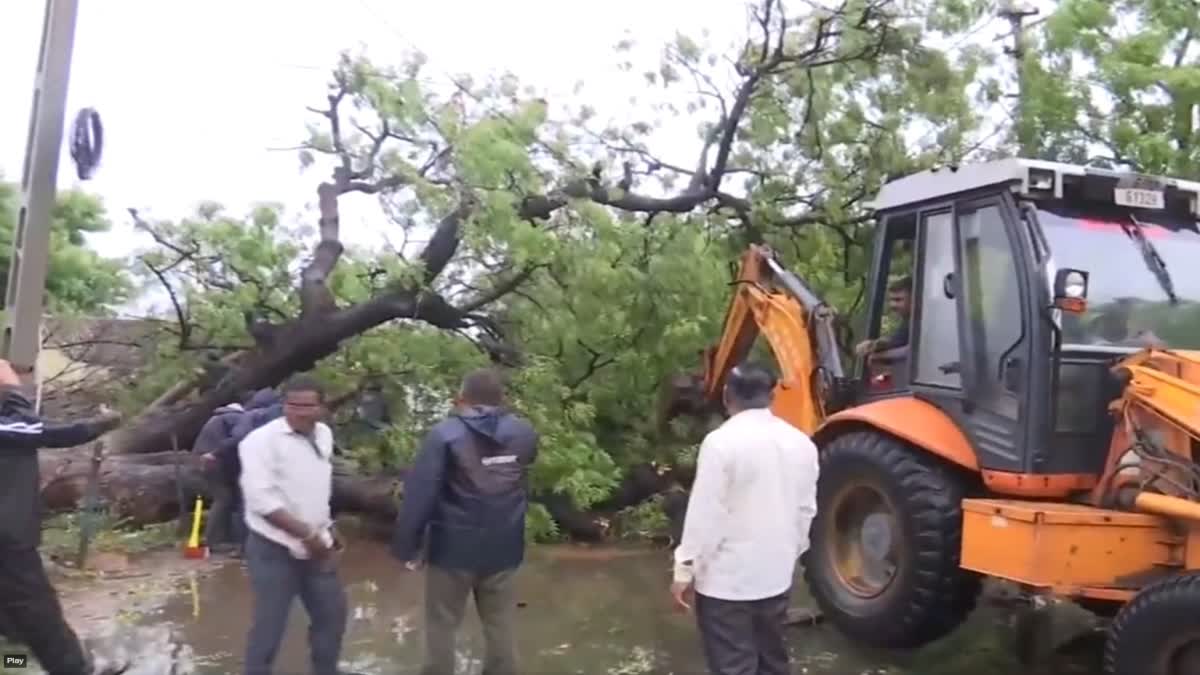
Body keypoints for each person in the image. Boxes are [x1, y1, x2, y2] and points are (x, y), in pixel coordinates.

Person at [670, 362, 819, 675]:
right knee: (773, 662)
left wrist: (685, 569)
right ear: (771, 396)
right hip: (776, 576)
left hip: (728, 582)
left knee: (733, 665)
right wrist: (789, 554)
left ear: (727, 396)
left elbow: (706, 514)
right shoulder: (801, 443)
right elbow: (806, 510)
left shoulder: (721, 443)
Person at [392, 368, 538, 675]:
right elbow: (521, 480)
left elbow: (421, 492)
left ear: (460, 399)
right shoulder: (524, 433)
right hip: (504, 545)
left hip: (452, 549)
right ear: (504, 399)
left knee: (442, 626)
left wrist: (407, 546)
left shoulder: (444, 434)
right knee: (500, 626)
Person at [0, 359, 124, 675]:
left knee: (17, 616)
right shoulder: (9, 425)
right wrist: (101, 423)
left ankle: (17, 665)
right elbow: (43, 431)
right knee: (35, 607)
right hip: (8, 538)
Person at [238, 376, 349, 675]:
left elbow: (314, 486)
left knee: (333, 616)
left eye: (307, 406)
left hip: (318, 544)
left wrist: (326, 525)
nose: (298, 412)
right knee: (270, 623)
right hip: (273, 547)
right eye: (292, 405)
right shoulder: (260, 442)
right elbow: (261, 500)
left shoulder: (324, 434)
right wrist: (306, 533)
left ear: (322, 408)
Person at [214, 388, 282, 556]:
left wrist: (216, 453)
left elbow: (238, 438)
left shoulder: (250, 416)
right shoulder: (281, 414)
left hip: (253, 465)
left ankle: (246, 547)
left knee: (246, 504)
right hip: (280, 465)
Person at [193, 399, 244, 554]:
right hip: (212, 461)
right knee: (224, 499)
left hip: (205, 459)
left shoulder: (219, 418)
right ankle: (214, 541)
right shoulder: (235, 418)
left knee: (228, 498)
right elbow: (236, 441)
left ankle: (224, 538)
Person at [855, 275, 912, 358]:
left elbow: (914, 350)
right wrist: (875, 345)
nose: (892, 305)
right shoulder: (909, 322)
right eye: (891, 300)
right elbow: (897, 342)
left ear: (915, 298)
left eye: (898, 300)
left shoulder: (924, 324)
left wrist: (878, 357)